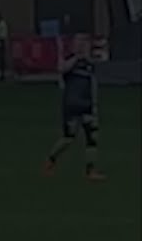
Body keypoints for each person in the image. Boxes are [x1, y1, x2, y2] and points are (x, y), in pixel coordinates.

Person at [43, 35, 106, 180]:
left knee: (92, 137)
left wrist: (95, 104)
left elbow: (93, 84)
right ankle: (51, 159)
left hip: (87, 105)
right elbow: (61, 69)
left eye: (85, 43)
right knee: (68, 138)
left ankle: (90, 171)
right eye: (79, 43)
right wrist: (76, 57)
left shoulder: (89, 64)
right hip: (71, 106)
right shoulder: (70, 60)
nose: (83, 46)